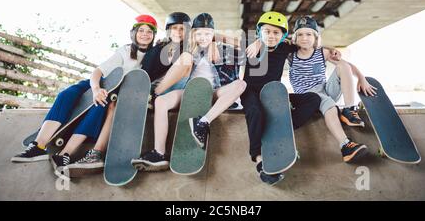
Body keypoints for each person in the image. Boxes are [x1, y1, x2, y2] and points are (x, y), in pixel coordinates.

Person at [11, 15, 157, 177]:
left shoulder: (155, 55)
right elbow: (98, 72)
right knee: (66, 94)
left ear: (154, 35)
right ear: (134, 33)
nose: (145, 34)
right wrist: (95, 89)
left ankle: (64, 155)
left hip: (115, 93)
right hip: (99, 83)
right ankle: (38, 146)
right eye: (141, 30)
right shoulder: (125, 50)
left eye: (149, 31)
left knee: (100, 105)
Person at [131, 13, 247, 171]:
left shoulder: (224, 50)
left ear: (213, 33)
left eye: (207, 33)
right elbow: (174, 48)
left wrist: (215, 38)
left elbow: (246, 47)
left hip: (214, 92)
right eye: (198, 33)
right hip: (190, 92)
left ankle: (202, 122)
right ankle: (159, 153)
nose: (203, 37)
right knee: (161, 102)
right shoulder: (187, 49)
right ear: (193, 34)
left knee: (240, 84)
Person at [241, 11, 341, 185]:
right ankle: (259, 161)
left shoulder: (285, 47)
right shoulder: (251, 45)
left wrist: (332, 51)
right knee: (255, 112)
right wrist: (257, 41)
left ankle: (281, 128)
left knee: (313, 99)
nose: (271, 36)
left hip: (274, 95)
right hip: (250, 93)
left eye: (276, 33)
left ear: (283, 36)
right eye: (267, 32)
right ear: (259, 32)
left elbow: (308, 44)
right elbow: (229, 41)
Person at [288, 15, 376, 164]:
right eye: (300, 34)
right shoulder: (290, 55)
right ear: (295, 37)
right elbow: (274, 46)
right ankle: (345, 146)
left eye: (309, 34)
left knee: (343, 66)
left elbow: (348, 66)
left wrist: (361, 78)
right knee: (328, 104)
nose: (304, 38)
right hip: (308, 96)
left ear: (315, 37)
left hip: (326, 90)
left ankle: (349, 109)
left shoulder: (322, 52)